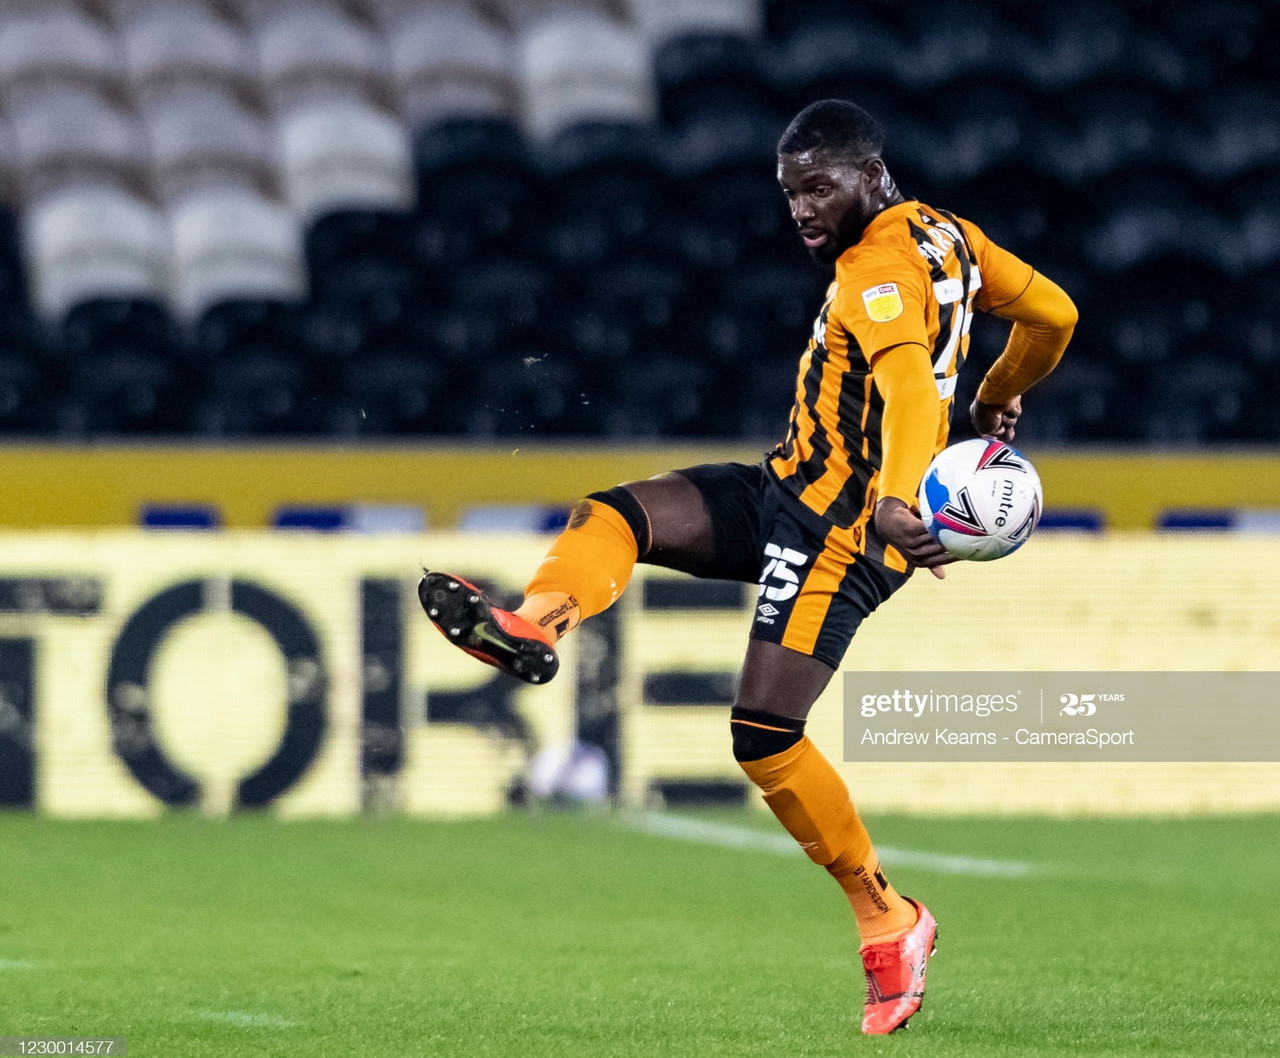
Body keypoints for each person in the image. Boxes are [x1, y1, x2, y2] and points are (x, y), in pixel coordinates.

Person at [419, 99, 1077, 1034]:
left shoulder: (880, 267)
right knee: (618, 513)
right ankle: (538, 625)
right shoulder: (950, 236)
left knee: (764, 738)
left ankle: (889, 918)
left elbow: (900, 391)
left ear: (870, 174)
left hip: (843, 535)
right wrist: (1001, 391)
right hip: (787, 484)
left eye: (820, 189)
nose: (804, 210)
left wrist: (898, 497)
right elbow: (1055, 312)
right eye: (790, 194)